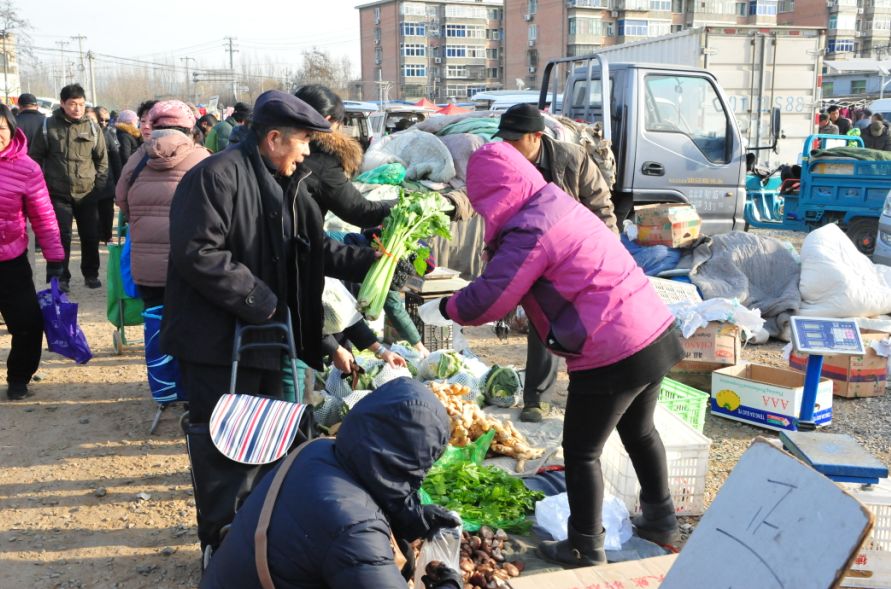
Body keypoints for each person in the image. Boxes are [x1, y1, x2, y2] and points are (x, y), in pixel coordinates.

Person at [419, 142, 684, 566]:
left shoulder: (530, 228)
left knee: (581, 452)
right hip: (651, 331)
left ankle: (584, 545)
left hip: (611, 347)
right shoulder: (555, 202)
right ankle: (661, 520)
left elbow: (493, 298)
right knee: (640, 432)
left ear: (493, 194)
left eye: (483, 201)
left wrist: (447, 306)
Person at [161, 90, 377, 556]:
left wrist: (374, 264)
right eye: (302, 141)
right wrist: (265, 302)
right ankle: (219, 548)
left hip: (268, 338)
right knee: (223, 443)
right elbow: (200, 254)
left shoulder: (289, 183)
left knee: (268, 439)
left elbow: (315, 250)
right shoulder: (214, 177)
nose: (306, 152)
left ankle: (257, 541)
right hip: (217, 343)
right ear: (274, 138)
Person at [201, 378, 464, 589]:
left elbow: (370, 495)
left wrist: (416, 519)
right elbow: (351, 529)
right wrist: (450, 584)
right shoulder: (354, 527)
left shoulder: (319, 450)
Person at [493, 103, 618, 423]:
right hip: (534, 253)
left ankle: (593, 395)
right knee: (542, 322)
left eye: (514, 140)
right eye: (504, 139)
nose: (507, 146)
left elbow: (601, 208)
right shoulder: (506, 164)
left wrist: (609, 255)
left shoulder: (573, 160)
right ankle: (536, 398)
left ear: (536, 137)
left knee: (590, 325)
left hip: (577, 251)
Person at [295, 84, 432, 357]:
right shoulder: (317, 162)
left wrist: (373, 348)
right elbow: (358, 210)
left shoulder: (275, 163)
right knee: (295, 364)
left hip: (303, 264)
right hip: (299, 268)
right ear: (331, 122)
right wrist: (398, 205)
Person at [116, 100, 209, 309]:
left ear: (154, 126)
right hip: (189, 268)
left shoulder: (137, 159)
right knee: (188, 329)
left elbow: (121, 199)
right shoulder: (203, 159)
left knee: (155, 324)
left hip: (145, 269)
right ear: (190, 128)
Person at [0, 104, 65, 400]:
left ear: (12, 130)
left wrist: (55, 258)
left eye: (1, 129)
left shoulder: (27, 168)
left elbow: (43, 214)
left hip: (10, 259)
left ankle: (18, 378)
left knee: (26, 324)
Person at [29, 83, 108, 292]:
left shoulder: (92, 127)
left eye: (81, 104)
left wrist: (98, 186)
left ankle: (91, 274)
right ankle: (60, 276)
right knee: (59, 236)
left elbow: (102, 161)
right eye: (72, 104)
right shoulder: (48, 127)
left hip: (87, 192)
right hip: (57, 193)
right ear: (62, 103)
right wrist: (42, 187)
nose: (77, 108)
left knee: (90, 235)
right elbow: (34, 159)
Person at [94, 106, 122, 243]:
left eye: (106, 120)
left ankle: (107, 234)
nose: (103, 123)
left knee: (107, 211)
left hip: (106, 180)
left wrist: (119, 182)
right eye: (100, 120)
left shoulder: (109, 135)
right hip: (89, 181)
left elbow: (116, 160)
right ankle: (97, 234)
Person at [14, 93, 44, 157]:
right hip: (43, 162)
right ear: (36, 106)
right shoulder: (47, 121)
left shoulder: (14, 122)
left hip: (20, 161)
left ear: (19, 106)